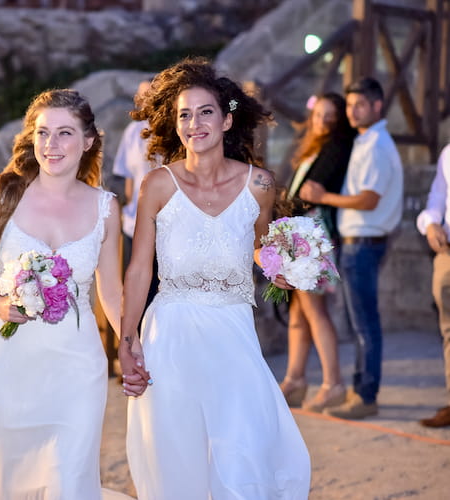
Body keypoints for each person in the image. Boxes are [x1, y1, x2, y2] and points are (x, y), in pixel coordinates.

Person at [120, 57, 310, 498]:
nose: (194, 123)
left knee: (242, 446)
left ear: (226, 120)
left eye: (205, 112)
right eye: (184, 114)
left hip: (232, 332)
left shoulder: (260, 184)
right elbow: (138, 269)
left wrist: (285, 270)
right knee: (177, 454)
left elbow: (262, 246)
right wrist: (127, 342)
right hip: (170, 334)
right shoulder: (157, 185)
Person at [0, 89, 146, 500]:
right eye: (43, 133)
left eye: (64, 133)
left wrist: (128, 345)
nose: (51, 146)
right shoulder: (3, 195)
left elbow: (110, 289)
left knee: (70, 475)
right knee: (11, 477)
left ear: (88, 141)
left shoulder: (105, 208)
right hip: (10, 363)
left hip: (77, 364)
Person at [299, 77, 403, 419]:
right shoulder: (365, 141)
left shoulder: (375, 145)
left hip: (364, 243)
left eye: (360, 104)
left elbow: (369, 200)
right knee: (362, 323)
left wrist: (322, 197)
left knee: (364, 325)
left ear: (377, 106)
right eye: (350, 105)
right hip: (359, 243)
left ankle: (365, 397)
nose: (353, 111)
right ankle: (360, 392)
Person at [279, 93, 356, 412]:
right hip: (298, 230)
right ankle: (295, 380)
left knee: (314, 309)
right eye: (319, 113)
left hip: (311, 232)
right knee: (298, 311)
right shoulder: (311, 146)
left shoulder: (336, 147)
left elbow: (312, 195)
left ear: (338, 119)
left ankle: (333, 384)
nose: (322, 120)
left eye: (330, 115)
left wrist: (284, 207)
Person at [112, 81, 160, 309]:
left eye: (148, 95)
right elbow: (127, 177)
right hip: (135, 223)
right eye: (139, 96)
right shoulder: (132, 132)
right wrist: (130, 209)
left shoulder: (172, 129)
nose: (142, 101)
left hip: (166, 226)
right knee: (135, 290)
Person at [415, 143, 450, 427]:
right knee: (448, 331)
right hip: (447, 253)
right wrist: (431, 223)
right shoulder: (448, 153)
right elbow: (437, 198)